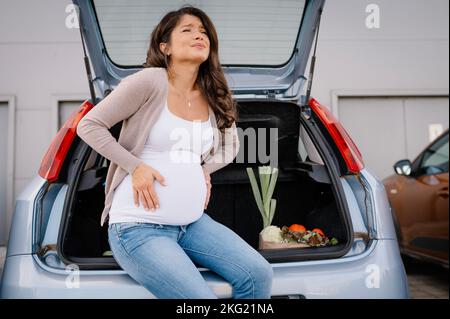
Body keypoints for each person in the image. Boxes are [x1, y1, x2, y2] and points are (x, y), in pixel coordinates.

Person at [77, 5, 273, 299]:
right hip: (137, 229)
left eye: (204, 32)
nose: (199, 35)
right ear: (164, 46)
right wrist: (135, 166)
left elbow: (231, 146)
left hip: (191, 224)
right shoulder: (149, 82)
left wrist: (203, 171)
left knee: (258, 275)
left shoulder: (214, 92)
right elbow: (89, 126)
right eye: (188, 29)